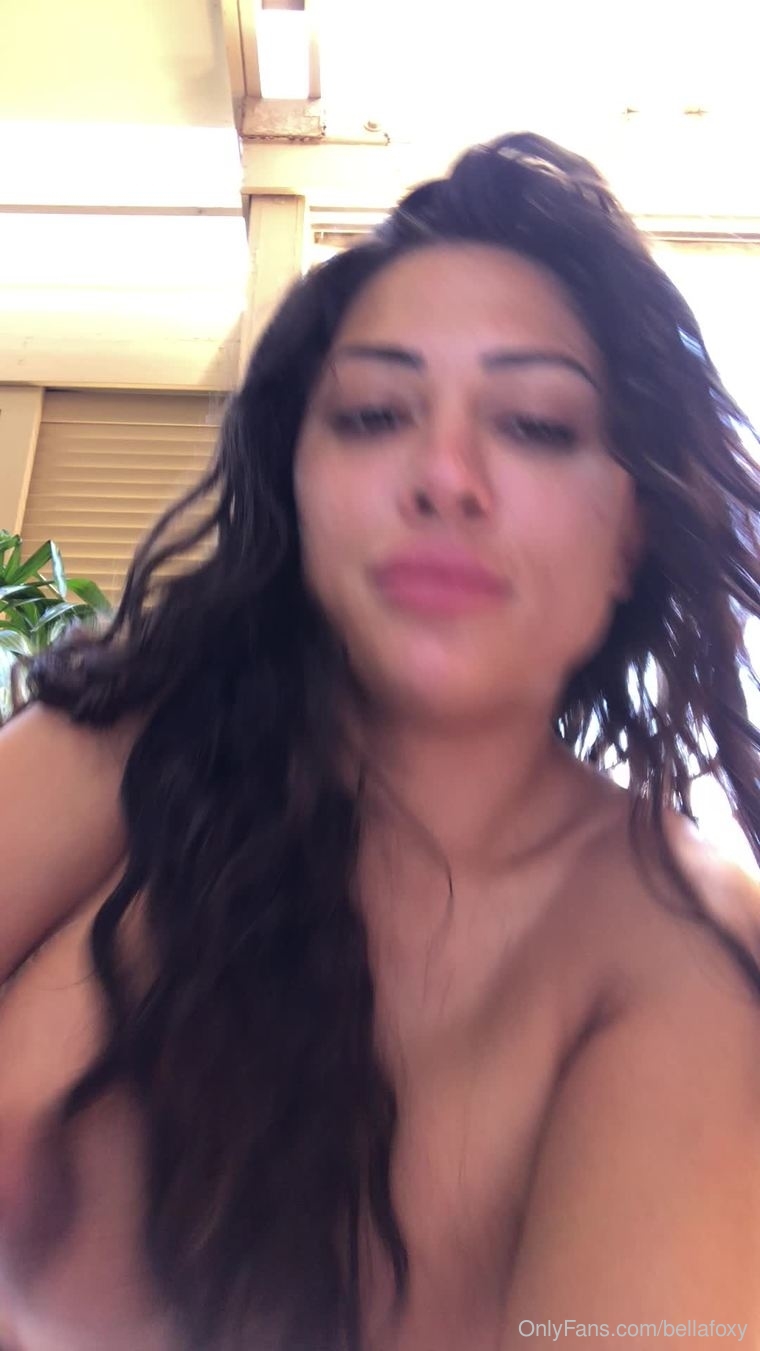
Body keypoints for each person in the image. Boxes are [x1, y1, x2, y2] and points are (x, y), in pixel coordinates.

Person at [0, 131, 759, 1351]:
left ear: (631, 532)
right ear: (296, 483)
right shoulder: (150, 742)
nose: (444, 474)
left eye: (535, 425)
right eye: (372, 413)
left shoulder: (684, 955)